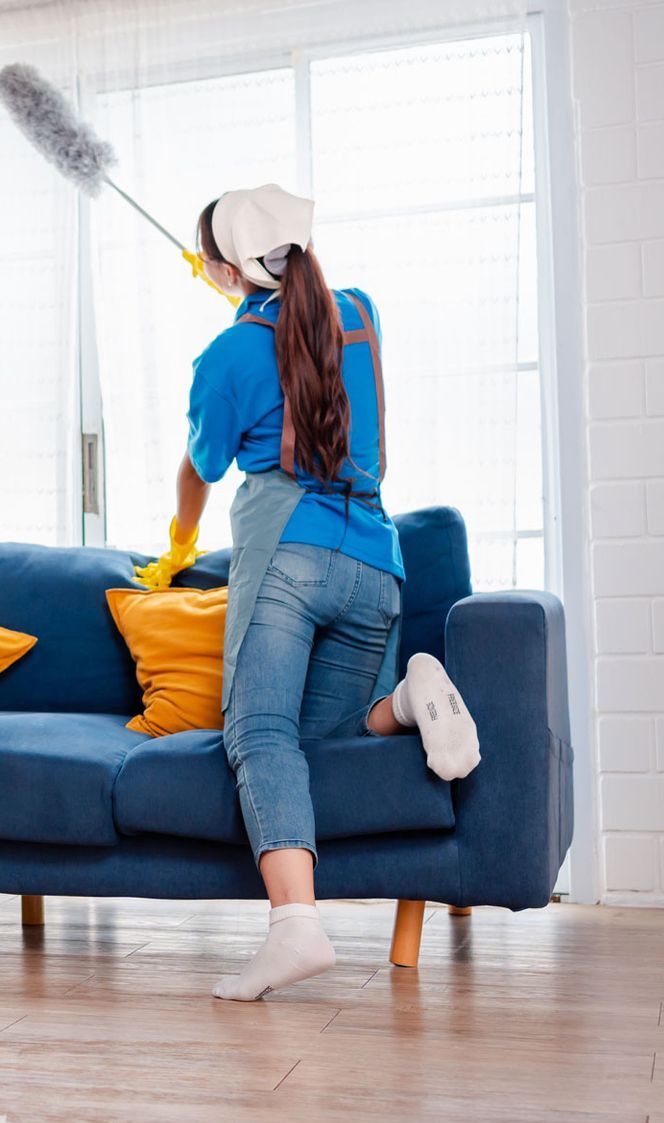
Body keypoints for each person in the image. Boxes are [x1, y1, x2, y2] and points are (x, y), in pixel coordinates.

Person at [135, 184, 481, 1003]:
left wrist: (181, 544)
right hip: (376, 560)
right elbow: (304, 330)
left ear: (222, 268)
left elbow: (203, 467)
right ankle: (408, 699)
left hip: (288, 554)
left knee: (259, 733)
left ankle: (295, 928)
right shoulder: (358, 312)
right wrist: (241, 285)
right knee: (323, 732)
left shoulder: (225, 359)